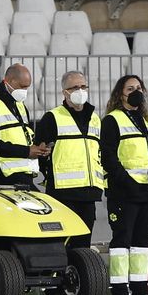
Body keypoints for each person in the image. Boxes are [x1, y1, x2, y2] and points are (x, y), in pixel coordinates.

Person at [101, 74, 148, 295]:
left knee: (142, 240)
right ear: (121, 94)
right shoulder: (112, 120)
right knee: (122, 240)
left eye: (139, 87)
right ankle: (119, 290)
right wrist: (126, 181)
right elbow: (108, 156)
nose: (136, 91)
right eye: (130, 88)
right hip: (124, 192)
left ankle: (140, 290)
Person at [34, 70, 103, 249]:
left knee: (83, 245)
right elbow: (40, 154)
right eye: (74, 87)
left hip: (89, 193)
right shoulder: (52, 118)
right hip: (63, 194)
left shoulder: (95, 119)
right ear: (65, 92)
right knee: (62, 244)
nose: (80, 90)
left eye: (83, 86)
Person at [0, 62, 49, 188]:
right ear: (9, 81)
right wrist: (27, 151)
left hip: (22, 174)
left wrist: (39, 148)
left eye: (27, 87)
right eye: (22, 86)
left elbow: (24, 136)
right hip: (2, 176)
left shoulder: (19, 105)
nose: (24, 91)